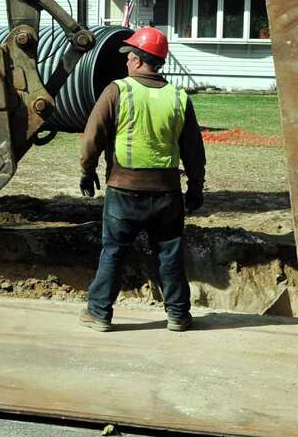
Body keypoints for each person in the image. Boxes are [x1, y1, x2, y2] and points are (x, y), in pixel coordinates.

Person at [78, 27, 205, 332]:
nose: (126, 62)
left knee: (114, 252)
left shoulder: (117, 91)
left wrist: (87, 170)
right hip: (167, 194)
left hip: (124, 191)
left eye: (128, 57)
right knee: (170, 254)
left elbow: (92, 137)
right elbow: (193, 150)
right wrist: (195, 187)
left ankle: (99, 314)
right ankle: (177, 315)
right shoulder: (178, 97)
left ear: (136, 60)